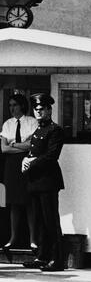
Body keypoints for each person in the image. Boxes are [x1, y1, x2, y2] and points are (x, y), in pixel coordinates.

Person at [22, 93, 65, 272]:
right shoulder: (38, 129)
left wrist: (31, 162)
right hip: (35, 181)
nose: (38, 113)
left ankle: (57, 259)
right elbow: (33, 152)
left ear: (49, 110)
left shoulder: (55, 130)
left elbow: (51, 156)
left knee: (50, 221)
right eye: (36, 110)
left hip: (47, 181)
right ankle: (42, 256)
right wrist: (25, 159)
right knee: (39, 220)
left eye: (41, 109)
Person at [1, 93, 39, 251]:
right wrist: (20, 145)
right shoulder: (8, 124)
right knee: (14, 203)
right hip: (11, 166)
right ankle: (13, 238)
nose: (11, 108)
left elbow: (32, 146)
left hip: (27, 163)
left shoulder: (31, 122)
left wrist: (13, 145)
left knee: (29, 202)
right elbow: (3, 148)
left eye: (14, 105)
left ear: (22, 106)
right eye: (10, 105)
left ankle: (33, 239)